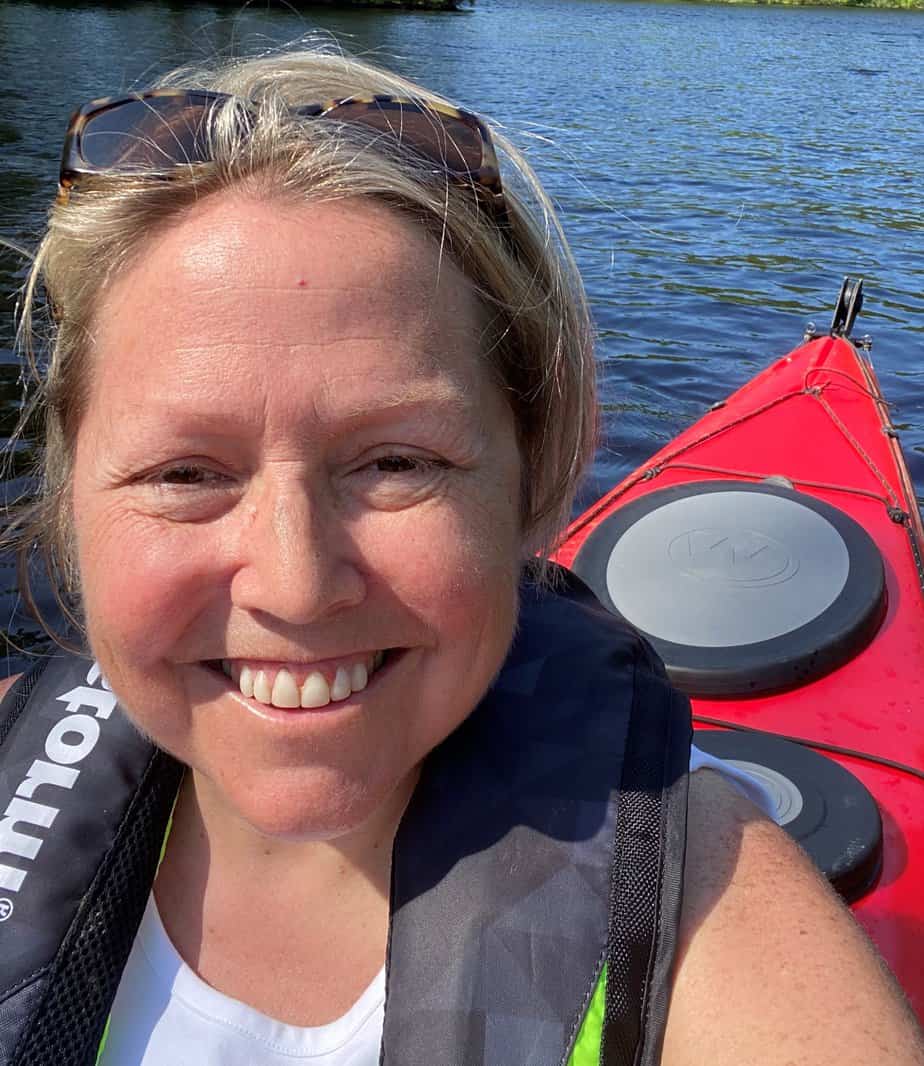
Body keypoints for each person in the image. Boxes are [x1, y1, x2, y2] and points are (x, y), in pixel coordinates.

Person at [0, 47, 921, 1066]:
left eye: (397, 462)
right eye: (185, 474)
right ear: (71, 497)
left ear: (531, 484)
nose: (297, 585)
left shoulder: (704, 903)